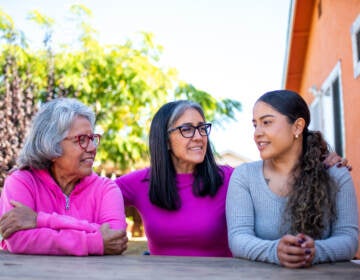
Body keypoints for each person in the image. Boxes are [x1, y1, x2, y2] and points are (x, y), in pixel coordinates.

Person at [0, 99, 350, 257]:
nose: (198, 136)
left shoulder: (234, 179)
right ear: (163, 139)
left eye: (202, 128)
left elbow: (280, 172)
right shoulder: (133, 185)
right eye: (186, 129)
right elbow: (89, 213)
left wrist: (318, 157)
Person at [226, 90, 358, 268]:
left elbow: (348, 239)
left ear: (297, 127)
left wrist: (313, 251)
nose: (257, 133)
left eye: (267, 122)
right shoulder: (244, 176)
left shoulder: (336, 174)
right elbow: (238, 238)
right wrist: (275, 251)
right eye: (255, 124)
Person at [0, 98, 128, 256]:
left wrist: (40, 220)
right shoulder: (21, 182)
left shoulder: (106, 189)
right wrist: (94, 241)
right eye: (81, 140)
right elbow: (19, 240)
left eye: (92, 139)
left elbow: (116, 237)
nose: (92, 148)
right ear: (51, 146)